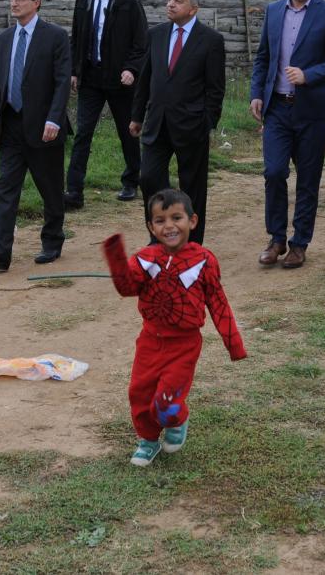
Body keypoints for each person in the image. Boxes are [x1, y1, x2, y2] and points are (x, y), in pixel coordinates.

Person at [102, 189, 246, 467]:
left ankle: (177, 420)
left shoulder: (204, 261)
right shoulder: (145, 259)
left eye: (176, 218)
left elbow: (219, 304)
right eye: (160, 220)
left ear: (192, 221)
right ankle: (148, 440)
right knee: (139, 393)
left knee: (167, 399)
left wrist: (234, 344)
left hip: (184, 344)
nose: (169, 226)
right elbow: (126, 288)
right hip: (149, 342)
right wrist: (115, 256)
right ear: (151, 227)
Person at [249, 0, 325, 269]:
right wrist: (256, 93)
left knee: (307, 179)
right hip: (277, 108)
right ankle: (276, 238)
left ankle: (299, 243)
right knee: (274, 172)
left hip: (313, 111)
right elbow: (263, 57)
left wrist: (309, 75)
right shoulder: (273, 11)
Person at [0, 0, 72, 271]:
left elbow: (62, 82)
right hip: (11, 125)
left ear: (36, 3)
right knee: (6, 189)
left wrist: (54, 118)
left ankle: (52, 241)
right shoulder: (4, 39)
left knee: (51, 188)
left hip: (44, 126)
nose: (14, 3)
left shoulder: (55, 36)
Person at [130, 0, 226, 245]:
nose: (170, 4)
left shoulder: (211, 40)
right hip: (157, 123)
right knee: (149, 177)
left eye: (178, 0)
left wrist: (207, 122)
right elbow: (145, 78)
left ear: (193, 8)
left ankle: (192, 245)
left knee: (193, 187)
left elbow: (215, 89)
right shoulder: (157, 34)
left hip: (192, 126)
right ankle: (160, 239)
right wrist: (137, 116)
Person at [66, 0, 148, 209]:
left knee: (128, 132)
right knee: (83, 133)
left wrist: (131, 69)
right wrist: (74, 71)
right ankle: (74, 192)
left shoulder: (129, 4)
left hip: (120, 80)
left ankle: (131, 181)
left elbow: (141, 43)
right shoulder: (84, 0)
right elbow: (76, 39)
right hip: (91, 78)